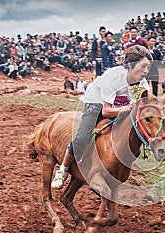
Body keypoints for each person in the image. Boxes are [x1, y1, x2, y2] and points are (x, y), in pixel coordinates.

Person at [52, 45, 152, 189]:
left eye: (148, 67)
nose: (146, 71)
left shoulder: (143, 84)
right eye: (143, 66)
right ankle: (63, 169)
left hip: (121, 106)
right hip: (97, 104)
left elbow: (142, 108)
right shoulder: (114, 78)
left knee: (134, 144)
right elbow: (106, 112)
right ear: (130, 65)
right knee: (82, 138)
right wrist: (126, 109)